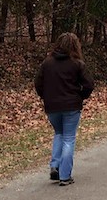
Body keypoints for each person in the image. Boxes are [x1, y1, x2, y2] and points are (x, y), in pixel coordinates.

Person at [34, 32, 94, 186]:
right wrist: (80, 96)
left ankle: (55, 165)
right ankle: (65, 175)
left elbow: (38, 84)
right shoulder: (77, 64)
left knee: (59, 134)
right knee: (68, 138)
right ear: (75, 46)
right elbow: (88, 85)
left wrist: (46, 96)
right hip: (71, 106)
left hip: (52, 106)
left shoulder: (47, 63)